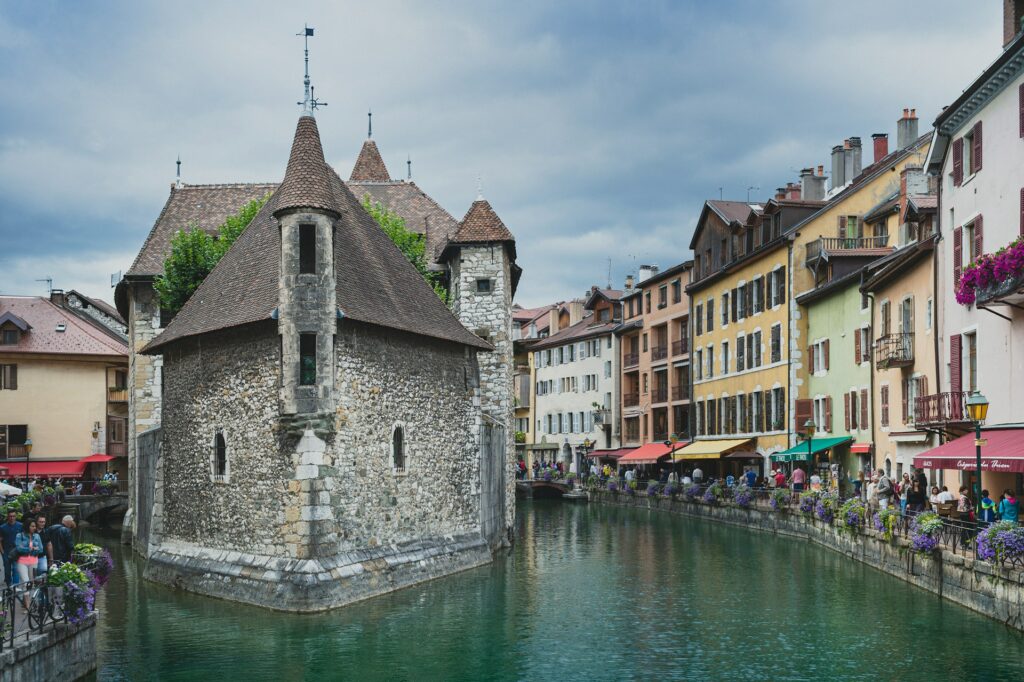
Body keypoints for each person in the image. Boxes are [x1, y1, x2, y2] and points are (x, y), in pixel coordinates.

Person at [13, 519, 43, 604]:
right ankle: (28, 606)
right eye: (32, 526)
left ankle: (26, 601)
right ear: (27, 526)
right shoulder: (20, 535)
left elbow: (41, 549)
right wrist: (31, 549)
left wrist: (33, 550)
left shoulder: (37, 536)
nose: (34, 528)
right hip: (22, 561)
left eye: (35, 526)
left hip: (33, 562)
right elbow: (19, 548)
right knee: (26, 583)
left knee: (31, 583)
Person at [0, 510, 22, 587]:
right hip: (6, 552)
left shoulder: (20, 526)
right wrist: (2, 552)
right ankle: (9, 584)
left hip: (17, 552)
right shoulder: (2, 527)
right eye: (10, 516)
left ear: (16, 517)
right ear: (7, 517)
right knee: (7, 571)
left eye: (13, 516)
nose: (12, 518)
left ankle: (15, 586)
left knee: (16, 569)